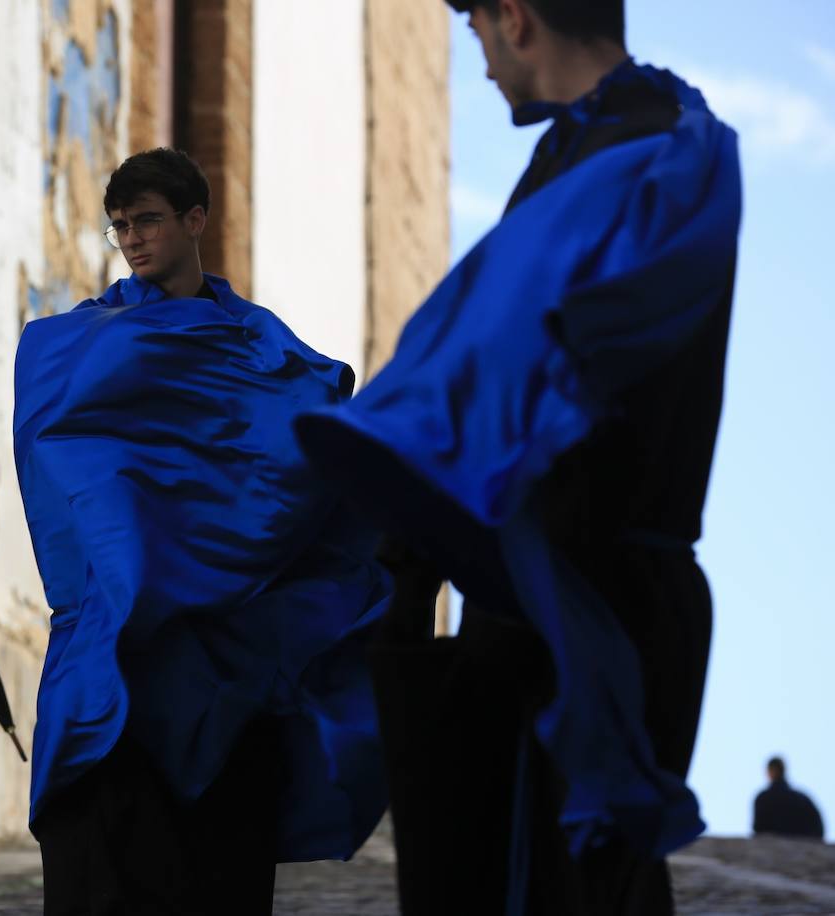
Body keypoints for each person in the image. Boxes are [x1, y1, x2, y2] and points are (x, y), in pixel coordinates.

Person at [294, 1, 742, 913]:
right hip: (534, 598)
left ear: (516, 17)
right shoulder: (599, 151)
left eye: (479, 38)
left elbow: (520, 383)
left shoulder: (649, 158)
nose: (485, 66)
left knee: (574, 882)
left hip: (593, 603)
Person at [14, 148, 390, 914]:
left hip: (228, 655)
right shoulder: (83, 342)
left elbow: (310, 450)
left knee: (217, 867)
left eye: (148, 220)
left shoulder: (259, 345)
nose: (133, 239)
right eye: (120, 226)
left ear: (194, 220)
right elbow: (66, 462)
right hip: (120, 640)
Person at [753, 757, 825, 840]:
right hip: (802, 848)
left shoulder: (763, 799)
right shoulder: (803, 800)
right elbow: (818, 831)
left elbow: (758, 830)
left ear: (770, 772)